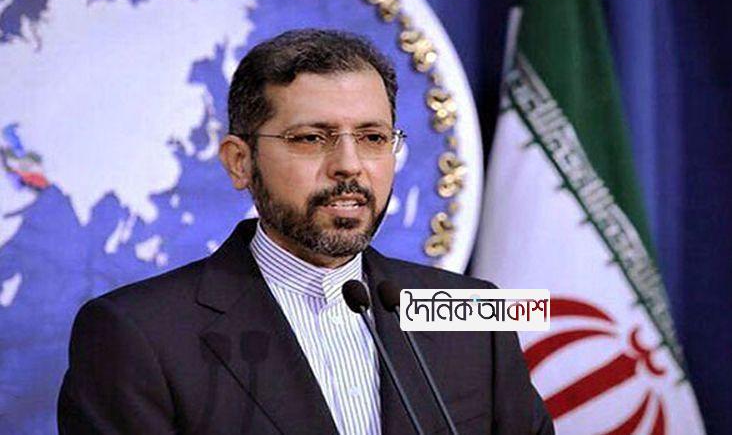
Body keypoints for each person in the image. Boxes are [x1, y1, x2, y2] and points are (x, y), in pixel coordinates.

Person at [58, 29, 554, 435]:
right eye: (312, 138)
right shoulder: (136, 334)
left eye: (373, 137)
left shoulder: (472, 312)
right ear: (240, 162)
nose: (349, 165)